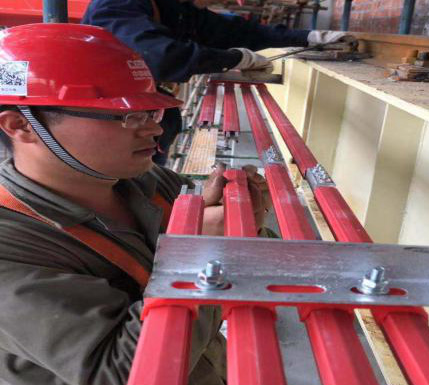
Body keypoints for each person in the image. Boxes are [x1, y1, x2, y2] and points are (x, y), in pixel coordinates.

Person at [0, 23, 265, 385]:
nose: (155, 130)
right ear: (21, 125)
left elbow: (244, 256)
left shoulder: (144, 180)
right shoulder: (11, 242)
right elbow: (122, 373)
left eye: (151, 112)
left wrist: (243, 220)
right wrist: (203, 251)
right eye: (125, 116)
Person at [82, 0, 355, 164]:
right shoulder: (122, 0)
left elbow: (240, 31)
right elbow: (160, 57)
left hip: (134, 121)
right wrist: (236, 59)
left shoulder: (180, 10)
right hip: (104, 126)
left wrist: (311, 37)